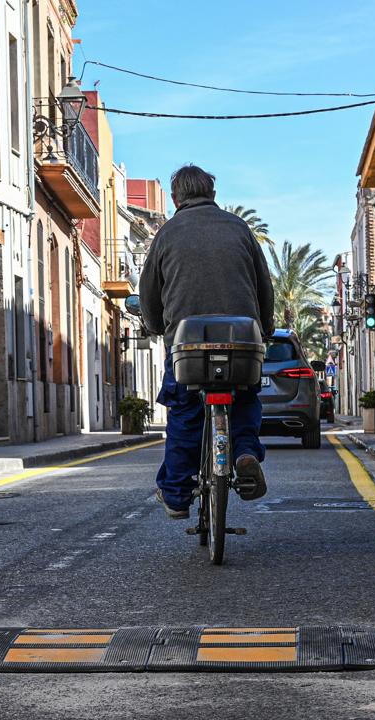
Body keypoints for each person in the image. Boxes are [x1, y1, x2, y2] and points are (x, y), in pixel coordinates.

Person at [138, 164, 274, 519]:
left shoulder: (166, 234)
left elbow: (149, 293)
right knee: (244, 399)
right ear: (212, 194)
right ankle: (244, 452)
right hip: (242, 339)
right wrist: (266, 327)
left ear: (174, 199)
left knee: (185, 411)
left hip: (187, 343)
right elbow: (264, 286)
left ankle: (178, 494)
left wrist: (157, 327)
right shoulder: (240, 228)